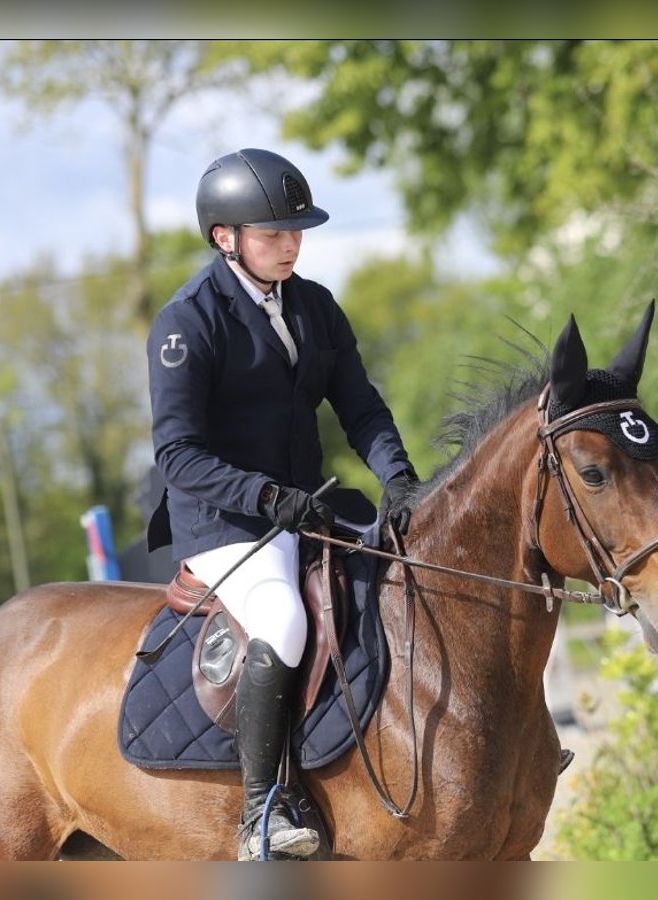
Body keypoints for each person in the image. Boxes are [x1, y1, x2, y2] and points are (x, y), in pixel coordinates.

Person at [145, 148, 420, 861]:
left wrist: (401, 478)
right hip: (226, 520)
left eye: (296, 230)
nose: (290, 243)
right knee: (285, 619)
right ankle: (263, 812)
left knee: (413, 575)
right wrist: (265, 496)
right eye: (273, 233)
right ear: (224, 237)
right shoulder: (187, 324)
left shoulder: (315, 305)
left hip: (309, 506)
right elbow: (177, 454)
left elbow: (361, 407)